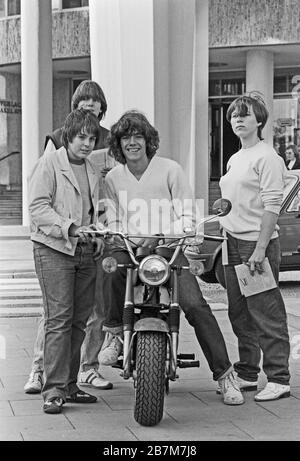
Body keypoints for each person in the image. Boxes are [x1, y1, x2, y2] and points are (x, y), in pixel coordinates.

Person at [98, 110, 245, 406]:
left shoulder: (170, 169)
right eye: (126, 137)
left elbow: (188, 215)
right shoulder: (113, 177)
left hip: (169, 247)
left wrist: (165, 234)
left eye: (138, 136)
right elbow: (110, 217)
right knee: (109, 268)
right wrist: (121, 234)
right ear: (118, 143)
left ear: (148, 140)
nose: (132, 142)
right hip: (131, 248)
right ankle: (114, 332)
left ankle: (225, 374)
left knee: (194, 304)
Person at [24, 80, 113, 395]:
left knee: (79, 320)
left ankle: (72, 383)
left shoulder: (91, 168)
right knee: (59, 319)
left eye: (91, 138)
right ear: (68, 136)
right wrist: (70, 227)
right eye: (81, 138)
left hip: (84, 250)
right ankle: (52, 386)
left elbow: (95, 207)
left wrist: (98, 232)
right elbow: (37, 206)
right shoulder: (51, 160)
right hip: (54, 248)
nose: (87, 143)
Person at [219, 91, 290, 402]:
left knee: (265, 311)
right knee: (239, 310)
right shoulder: (236, 157)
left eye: (244, 115)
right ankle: (248, 371)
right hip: (230, 240)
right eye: (234, 114)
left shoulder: (268, 157)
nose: (237, 119)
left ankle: (279, 377)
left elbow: (273, 205)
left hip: (254, 243)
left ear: (259, 120)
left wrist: (260, 249)